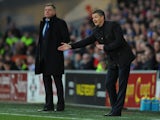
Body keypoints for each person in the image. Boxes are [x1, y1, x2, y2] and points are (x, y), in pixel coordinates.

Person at [58, 9, 135, 116]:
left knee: (122, 84)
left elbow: (119, 41)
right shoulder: (95, 31)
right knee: (109, 83)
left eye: (96, 17)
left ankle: (116, 110)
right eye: (93, 18)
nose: (94, 19)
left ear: (102, 17)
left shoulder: (113, 25)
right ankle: (115, 108)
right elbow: (86, 41)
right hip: (112, 60)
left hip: (124, 58)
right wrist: (71, 46)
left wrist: (105, 47)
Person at [35, 3, 70, 111]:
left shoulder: (60, 23)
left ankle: (60, 105)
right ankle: (48, 105)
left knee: (58, 81)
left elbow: (66, 38)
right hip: (44, 58)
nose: (47, 12)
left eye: (49, 10)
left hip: (55, 58)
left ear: (54, 11)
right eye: (45, 10)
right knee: (46, 81)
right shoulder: (43, 24)